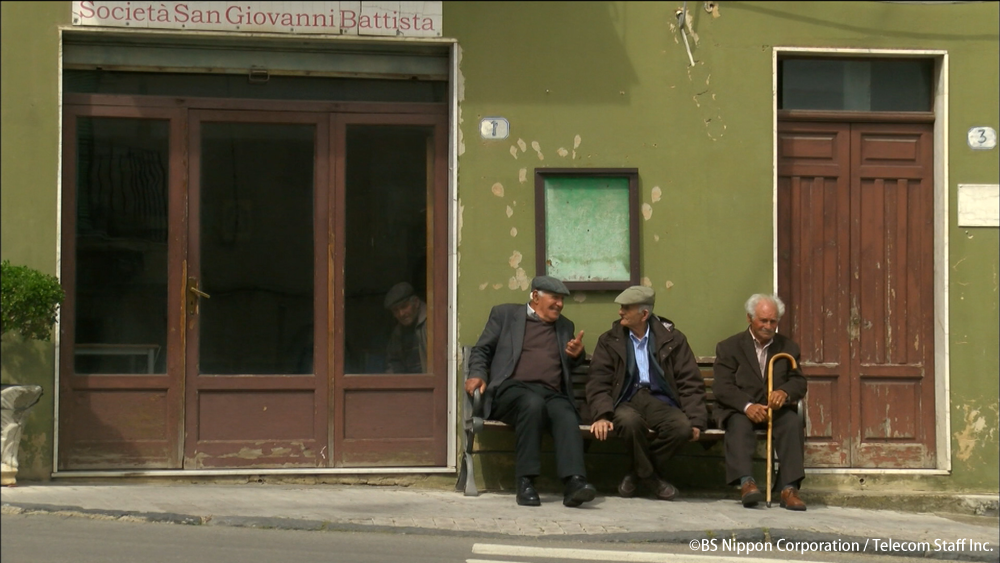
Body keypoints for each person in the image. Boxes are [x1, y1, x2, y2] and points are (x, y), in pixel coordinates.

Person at [465, 275, 596, 508]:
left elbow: (568, 364)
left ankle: (574, 483)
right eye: (555, 298)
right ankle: (525, 482)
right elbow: (482, 350)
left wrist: (575, 356)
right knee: (532, 403)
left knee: (565, 412)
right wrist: (477, 374)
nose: (560, 304)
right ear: (535, 296)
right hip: (512, 389)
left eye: (562, 300)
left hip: (551, 391)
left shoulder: (565, 326)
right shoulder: (505, 315)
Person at [585, 286, 707, 501]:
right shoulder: (610, 340)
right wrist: (602, 414)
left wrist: (696, 419)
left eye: (626, 307)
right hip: (625, 399)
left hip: (660, 400)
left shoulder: (673, 339)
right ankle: (651, 478)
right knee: (629, 423)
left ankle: (636, 473)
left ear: (644, 314)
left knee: (681, 428)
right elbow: (598, 381)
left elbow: (689, 381)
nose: (620, 312)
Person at [713, 293, 807, 511]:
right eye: (762, 320)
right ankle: (747, 483)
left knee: (792, 422)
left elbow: (799, 381)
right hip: (741, 408)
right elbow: (722, 387)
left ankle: (788, 488)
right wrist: (747, 406)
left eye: (772, 321)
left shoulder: (788, 348)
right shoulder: (729, 347)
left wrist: (784, 392)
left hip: (775, 410)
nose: (768, 326)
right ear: (749, 318)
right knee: (737, 424)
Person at [384, 282, 427, 374]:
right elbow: (393, 365)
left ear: (416, 302)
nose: (401, 314)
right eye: (396, 310)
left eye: (404, 307)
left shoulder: (433, 324)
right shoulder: (398, 333)